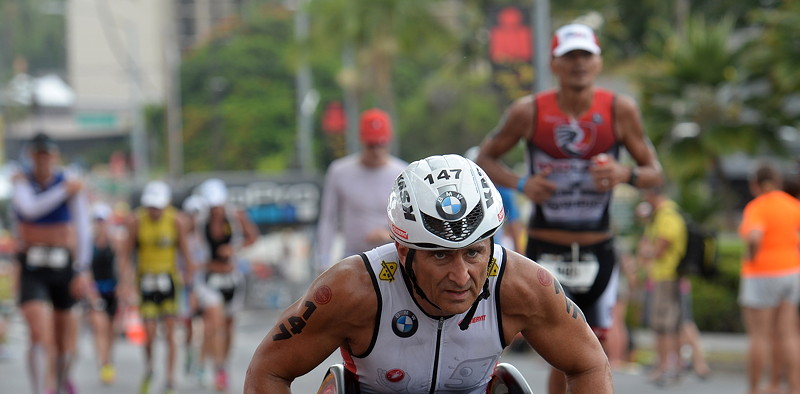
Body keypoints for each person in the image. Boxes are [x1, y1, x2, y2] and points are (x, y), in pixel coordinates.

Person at [244, 154, 613, 393]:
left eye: (473, 253)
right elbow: (269, 371)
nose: (461, 275)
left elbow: (589, 365)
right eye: (440, 256)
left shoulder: (523, 285)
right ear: (404, 251)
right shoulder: (352, 289)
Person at [475, 22, 663, 393]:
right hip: (546, 248)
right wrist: (523, 183)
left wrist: (624, 173)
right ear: (555, 64)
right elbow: (485, 159)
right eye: (569, 57)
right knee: (561, 349)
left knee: (596, 347)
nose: (578, 64)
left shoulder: (618, 111)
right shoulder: (528, 111)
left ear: (598, 62)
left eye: (585, 56)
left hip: (597, 247)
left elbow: (655, 173)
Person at [11, 132, 94, 394]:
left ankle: (59, 384)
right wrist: (63, 190)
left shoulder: (71, 185)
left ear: (54, 156)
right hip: (33, 266)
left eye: (46, 154)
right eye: (37, 155)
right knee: (39, 331)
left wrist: (82, 268)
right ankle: (39, 389)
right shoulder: (22, 182)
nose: (42, 160)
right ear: (31, 156)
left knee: (64, 340)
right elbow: (29, 210)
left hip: (63, 266)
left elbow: (83, 229)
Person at [119, 180, 196, 394]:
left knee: (170, 333)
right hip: (146, 280)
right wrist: (125, 283)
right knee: (149, 334)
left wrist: (190, 285)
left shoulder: (176, 220)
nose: (154, 211)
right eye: (151, 207)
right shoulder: (136, 220)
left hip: (169, 280)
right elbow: (125, 254)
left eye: (158, 207)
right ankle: (150, 367)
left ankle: (170, 378)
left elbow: (186, 254)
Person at [314, 108, 408, 272]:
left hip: (392, 256)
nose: (376, 151)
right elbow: (328, 219)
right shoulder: (339, 171)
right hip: (353, 256)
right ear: (362, 141)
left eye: (381, 144)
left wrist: (389, 235)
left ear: (388, 141)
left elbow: (410, 220)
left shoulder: (402, 173)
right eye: (371, 145)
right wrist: (323, 260)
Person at [737, 162, 800, 394]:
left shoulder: (758, 207)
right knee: (788, 334)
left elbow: (754, 236)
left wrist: (752, 255)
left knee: (759, 336)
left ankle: (754, 389)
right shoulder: (793, 205)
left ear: (756, 184)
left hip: (762, 273)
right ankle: (794, 387)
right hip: (791, 271)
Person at [196, 178, 259, 392]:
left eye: (218, 205)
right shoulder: (199, 220)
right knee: (214, 324)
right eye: (212, 206)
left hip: (232, 278)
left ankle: (224, 364)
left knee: (229, 326)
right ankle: (217, 368)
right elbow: (190, 245)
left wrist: (234, 249)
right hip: (209, 278)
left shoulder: (235, 216)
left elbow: (252, 237)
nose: (216, 210)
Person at [637, 186, 686, 386]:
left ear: (651, 194)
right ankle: (666, 365)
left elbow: (659, 249)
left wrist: (646, 253)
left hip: (667, 276)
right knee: (666, 324)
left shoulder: (667, 215)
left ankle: (666, 366)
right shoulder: (661, 215)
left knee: (664, 324)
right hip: (663, 276)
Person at [87, 202, 121, 385]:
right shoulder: (88, 244)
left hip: (113, 292)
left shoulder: (115, 242)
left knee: (111, 330)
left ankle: (109, 361)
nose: (100, 224)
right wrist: (91, 293)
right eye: (97, 221)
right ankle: (103, 364)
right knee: (99, 327)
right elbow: (84, 269)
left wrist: (125, 288)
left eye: (103, 221)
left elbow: (123, 266)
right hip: (95, 291)